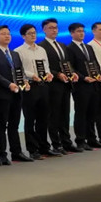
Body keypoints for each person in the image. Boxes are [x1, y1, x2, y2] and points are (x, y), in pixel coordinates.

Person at [0, 25, 34, 165]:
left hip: (17, 93)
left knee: (14, 124)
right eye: (3, 34)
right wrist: (8, 84)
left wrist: (24, 81)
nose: (7, 36)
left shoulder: (14, 54)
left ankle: (16, 152)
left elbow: (20, 71)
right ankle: (2, 154)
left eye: (8, 34)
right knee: (2, 124)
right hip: (3, 94)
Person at [15, 24, 61, 160]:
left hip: (43, 86)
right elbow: (19, 70)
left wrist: (48, 74)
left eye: (34, 33)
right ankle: (32, 149)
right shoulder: (18, 51)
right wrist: (32, 75)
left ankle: (44, 147)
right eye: (30, 33)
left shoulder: (41, 49)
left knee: (43, 118)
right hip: (29, 87)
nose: (33, 35)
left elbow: (46, 66)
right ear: (23, 36)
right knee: (30, 119)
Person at [38, 18, 77, 154]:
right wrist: (57, 74)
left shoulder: (62, 45)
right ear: (44, 30)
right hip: (52, 85)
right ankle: (56, 143)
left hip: (66, 85)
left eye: (56, 27)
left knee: (65, 115)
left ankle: (66, 142)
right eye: (51, 28)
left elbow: (67, 63)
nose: (54, 30)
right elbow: (44, 67)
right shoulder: (41, 46)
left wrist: (72, 73)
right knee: (54, 116)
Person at [67, 22, 101, 151]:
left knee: (92, 113)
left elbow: (94, 63)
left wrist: (98, 75)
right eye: (78, 31)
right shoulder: (70, 48)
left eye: (83, 31)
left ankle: (92, 139)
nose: (81, 33)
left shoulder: (88, 47)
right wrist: (83, 77)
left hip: (94, 84)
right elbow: (71, 67)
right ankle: (80, 140)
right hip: (81, 86)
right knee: (81, 113)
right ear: (72, 33)